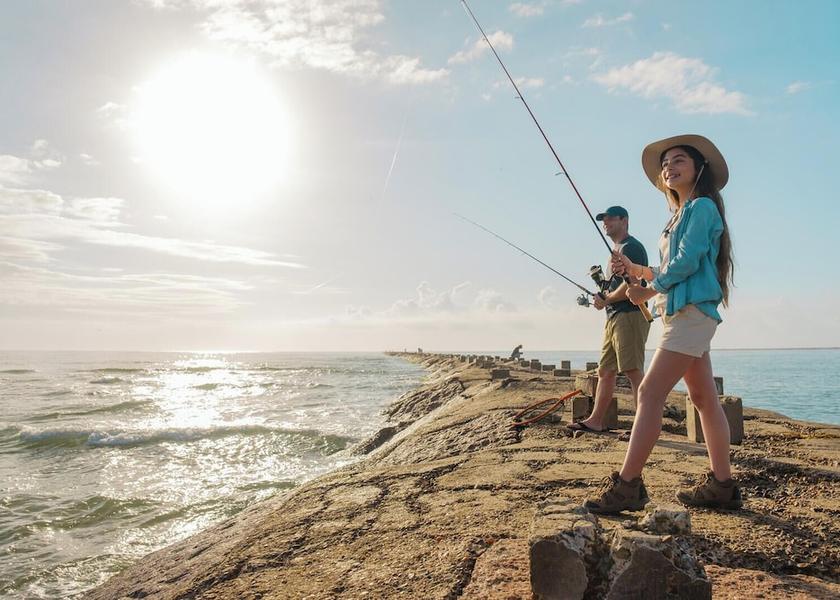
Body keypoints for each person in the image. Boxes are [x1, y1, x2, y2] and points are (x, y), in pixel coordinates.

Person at [584, 134, 741, 513]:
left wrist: (648, 288)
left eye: (679, 161)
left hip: (690, 314)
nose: (669, 167)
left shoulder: (701, 207)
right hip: (685, 312)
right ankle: (723, 485)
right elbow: (666, 271)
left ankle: (628, 486)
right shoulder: (677, 217)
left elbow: (684, 265)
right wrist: (636, 276)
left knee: (649, 394)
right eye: (665, 163)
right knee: (704, 399)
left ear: (698, 169)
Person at [570, 206, 650, 434]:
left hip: (631, 316)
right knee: (605, 371)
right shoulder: (615, 251)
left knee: (634, 371)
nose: (605, 223)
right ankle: (596, 420)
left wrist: (607, 299)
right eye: (603, 220)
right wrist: (603, 298)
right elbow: (614, 286)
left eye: (609, 219)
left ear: (624, 220)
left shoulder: (632, 247)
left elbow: (634, 284)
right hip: (614, 317)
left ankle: (641, 427)